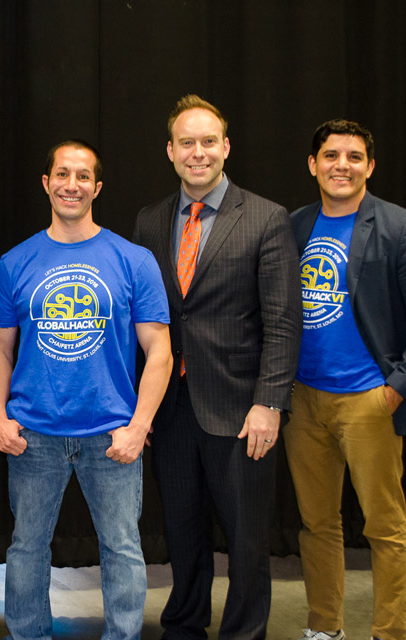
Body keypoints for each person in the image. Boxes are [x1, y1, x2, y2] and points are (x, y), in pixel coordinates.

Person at [0, 140, 172, 640]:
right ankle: (27, 635)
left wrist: (139, 425)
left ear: (98, 187)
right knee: (27, 547)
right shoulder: (15, 261)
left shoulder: (133, 260)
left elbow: (160, 352)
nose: (72, 184)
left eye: (83, 176)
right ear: (46, 183)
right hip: (34, 434)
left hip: (111, 435)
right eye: (62, 174)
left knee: (122, 547)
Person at [133, 94, 301, 639]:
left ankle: (243, 633)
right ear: (170, 151)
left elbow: (282, 321)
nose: (198, 152)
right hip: (172, 412)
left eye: (208, 142)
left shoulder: (266, 218)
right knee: (181, 534)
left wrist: (269, 403)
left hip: (241, 409)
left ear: (226, 148)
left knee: (248, 540)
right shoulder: (151, 221)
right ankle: (184, 626)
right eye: (187, 143)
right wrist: (142, 408)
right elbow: (143, 322)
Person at [285, 119, 406, 640]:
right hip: (304, 399)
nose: (342, 165)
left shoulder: (397, 226)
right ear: (313, 165)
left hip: (370, 400)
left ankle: (389, 631)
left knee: (386, 528)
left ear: (370, 167)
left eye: (354, 157)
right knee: (317, 525)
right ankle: (323, 628)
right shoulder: (295, 225)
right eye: (331, 155)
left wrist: (396, 386)